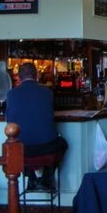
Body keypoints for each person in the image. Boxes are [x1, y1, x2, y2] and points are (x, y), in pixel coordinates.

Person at [6, 62, 68, 190]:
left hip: (24, 150)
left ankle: (31, 178)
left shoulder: (11, 94)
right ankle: (46, 178)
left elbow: (8, 120)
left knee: (15, 147)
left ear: (19, 77)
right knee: (63, 143)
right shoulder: (48, 93)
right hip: (47, 148)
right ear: (36, 75)